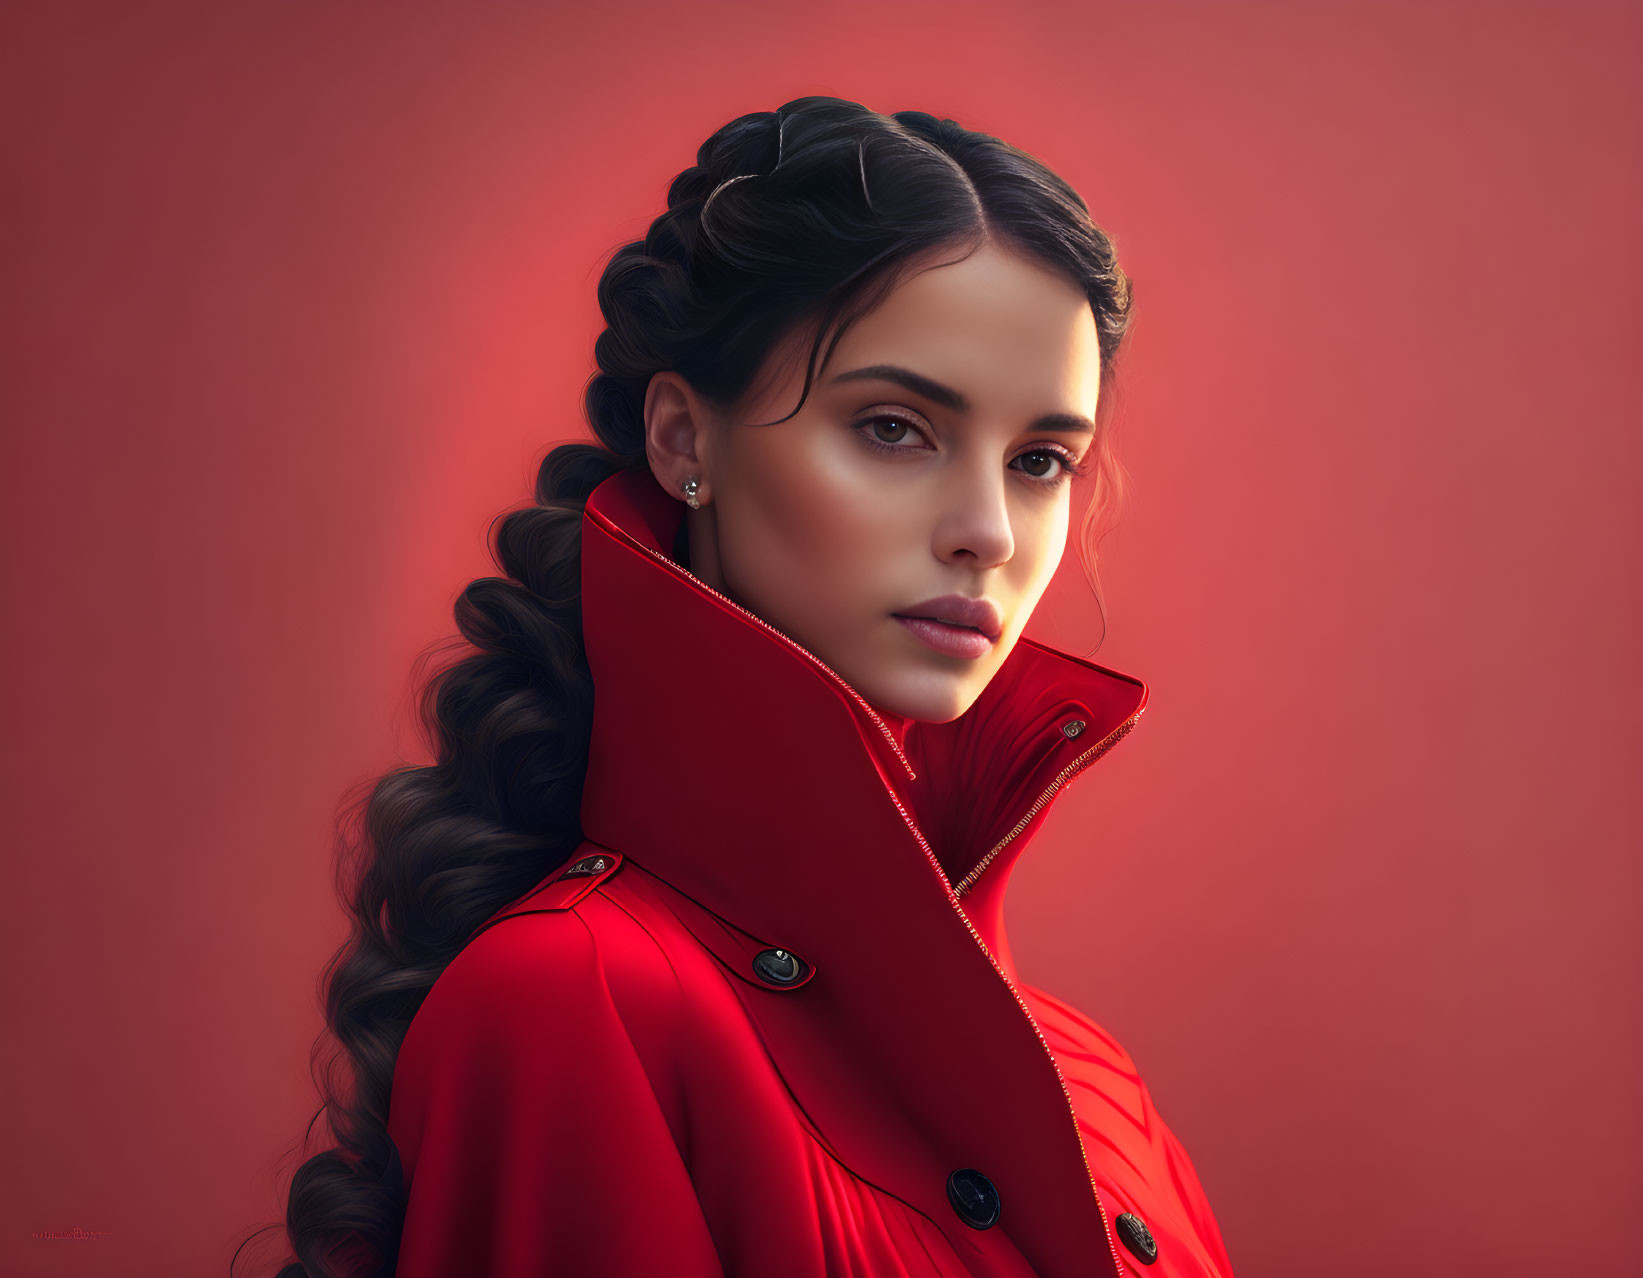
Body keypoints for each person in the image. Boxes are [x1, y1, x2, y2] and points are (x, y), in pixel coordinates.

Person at [242, 95, 1236, 1278]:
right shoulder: (570, 1000)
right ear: (683, 441)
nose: (987, 533)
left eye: (1038, 462)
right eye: (893, 427)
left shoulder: (1097, 1086)